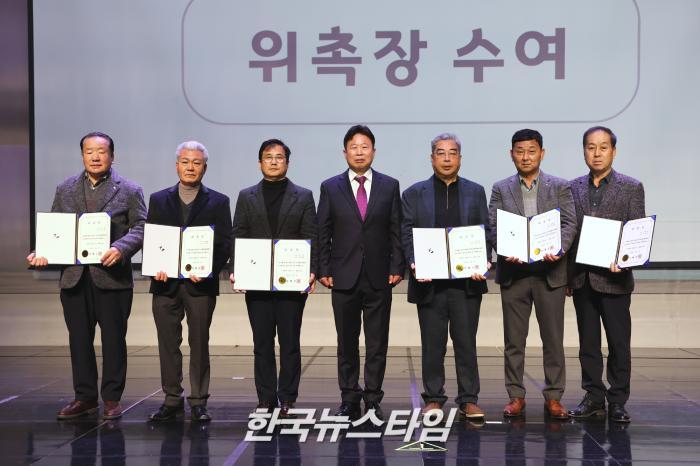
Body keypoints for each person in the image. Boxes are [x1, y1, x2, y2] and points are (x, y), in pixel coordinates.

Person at [27, 131, 146, 420]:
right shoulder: (65, 188)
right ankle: (85, 397)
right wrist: (42, 252)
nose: (95, 156)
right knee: (79, 340)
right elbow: (55, 229)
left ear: (112, 156)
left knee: (114, 340)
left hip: (112, 278)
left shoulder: (130, 189)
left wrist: (121, 248)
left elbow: (142, 227)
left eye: (101, 151)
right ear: (82, 155)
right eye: (89, 151)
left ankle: (112, 399)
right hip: (74, 278)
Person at [488, 129, 577, 420]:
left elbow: (569, 224)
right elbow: (493, 226)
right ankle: (516, 396)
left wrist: (559, 249)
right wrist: (504, 249)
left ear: (542, 153)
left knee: (553, 340)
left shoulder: (560, 186)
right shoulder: (501, 188)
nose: (525, 157)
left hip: (550, 274)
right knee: (514, 341)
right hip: (514, 274)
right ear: (511, 154)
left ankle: (554, 397)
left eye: (531, 151)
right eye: (520, 151)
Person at [317, 125, 403, 421]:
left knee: (377, 342)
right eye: (353, 147)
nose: (359, 152)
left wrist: (397, 266)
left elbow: (396, 229)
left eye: (364, 147)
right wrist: (323, 268)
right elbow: (323, 231)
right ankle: (349, 398)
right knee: (347, 342)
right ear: (345, 152)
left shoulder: (390, 185)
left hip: (379, 276)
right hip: (343, 276)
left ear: (374, 151)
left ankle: (374, 398)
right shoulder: (330, 187)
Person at [401, 132, 489, 420]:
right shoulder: (414, 193)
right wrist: (414, 263)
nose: (447, 158)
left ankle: (469, 399)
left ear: (460, 158)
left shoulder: (476, 191)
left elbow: (484, 230)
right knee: (432, 344)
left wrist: (483, 260)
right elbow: (406, 232)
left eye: (452, 153)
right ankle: (434, 398)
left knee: (466, 343)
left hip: (466, 284)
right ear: (432, 158)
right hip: (430, 284)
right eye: (441, 153)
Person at [229, 139, 317, 417]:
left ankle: (288, 397)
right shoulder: (247, 196)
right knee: (262, 343)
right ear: (260, 163)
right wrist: (237, 269)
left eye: (279, 157)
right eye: (269, 157)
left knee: (290, 343)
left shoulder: (303, 196)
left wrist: (311, 270)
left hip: (291, 282)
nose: (274, 161)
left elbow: (311, 235)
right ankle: (266, 398)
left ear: (287, 162)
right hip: (257, 282)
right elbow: (238, 234)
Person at [146, 141, 232, 422]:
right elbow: (152, 239)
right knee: (167, 343)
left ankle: (198, 401)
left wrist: (208, 269)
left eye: (196, 162)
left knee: (199, 343)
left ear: (204, 167)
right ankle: (171, 399)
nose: (190, 167)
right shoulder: (159, 199)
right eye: (185, 162)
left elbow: (224, 244)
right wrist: (155, 267)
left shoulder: (219, 201)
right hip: (165, 285)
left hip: (200, 285)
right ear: (177, 166)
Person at [567, 126, 645, 423]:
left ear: (614, 151)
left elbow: (636, 231)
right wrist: (567, 276)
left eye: (603, 147)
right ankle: (593, 397)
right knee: (588, 344)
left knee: (618, 343)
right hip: (582, 278)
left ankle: (618, 400)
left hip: (615, 279)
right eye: (591, 147)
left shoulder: (631, 187)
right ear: (583, 151)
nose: (596, 153)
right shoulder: (572, 187)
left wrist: (625, 261)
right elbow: (569, 234)